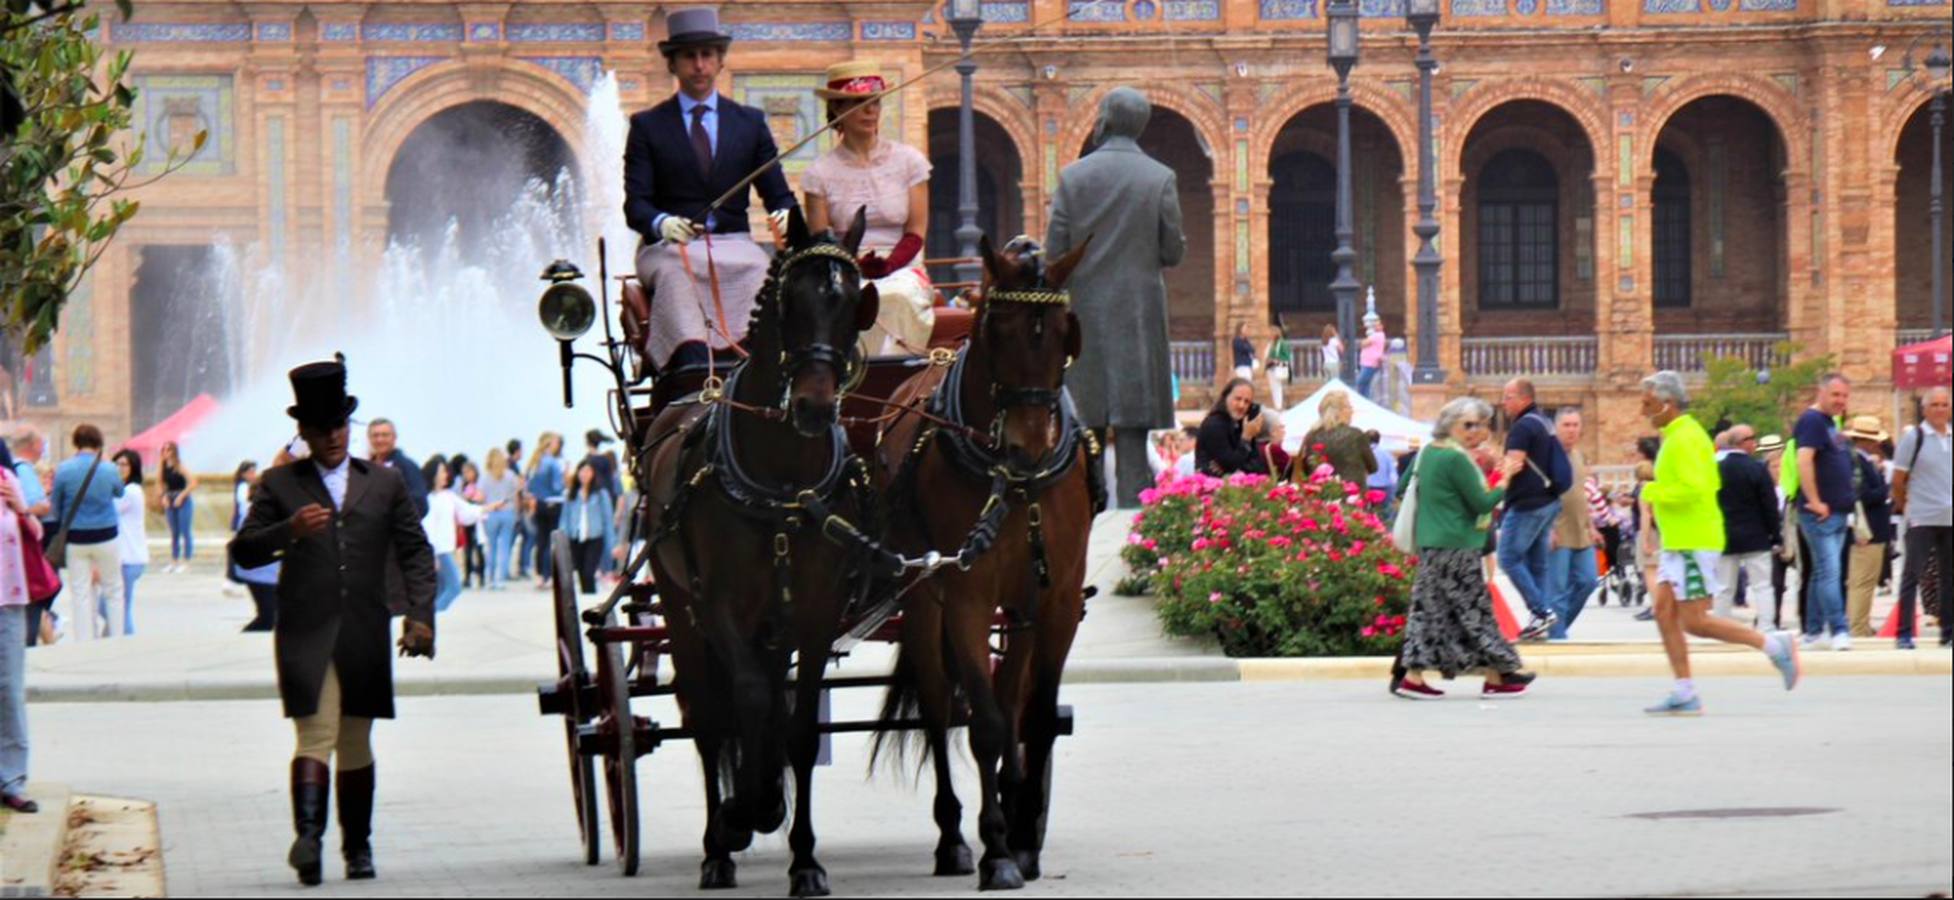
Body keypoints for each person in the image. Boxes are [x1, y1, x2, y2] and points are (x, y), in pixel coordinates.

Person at [229, 358, 437, 886]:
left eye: (340, 426)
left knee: (355, 740)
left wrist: (419, 615)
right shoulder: (279, 484)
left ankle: (358, 847)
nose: (333, 437)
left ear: (351, 425)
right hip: (306, 629)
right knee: (315, 732)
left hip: (365, 628)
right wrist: (288, 529)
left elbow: (415, 551)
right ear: (303, 432)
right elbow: (244, 552)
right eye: (321, 430)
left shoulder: (385, 483)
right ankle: (308, 838)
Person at [625, 6, 798, 372]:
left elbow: (778, 194)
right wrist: (662, 223)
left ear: (720, 61)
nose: (699, 65)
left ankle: (759, 371)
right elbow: (635, 205)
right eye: (689, 56)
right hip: (671, 250)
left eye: (707, 55)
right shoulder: (647, 126)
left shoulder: (750, 123)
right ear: (672, 64)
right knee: (675, 278)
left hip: (736, 247)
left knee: (760, 272)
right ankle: (687, 371)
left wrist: (785, 215)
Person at [1046, 85, 1186, 509]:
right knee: (1132, 438)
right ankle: (1128, 539)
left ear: (1104, 119)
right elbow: (1172, 252)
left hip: (1083, 322)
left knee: (1081, 434)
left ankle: (1079, 522)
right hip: (1138, 320)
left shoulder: (1073, 176)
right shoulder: (1160, 177)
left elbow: (1055, 254)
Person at [1637, 371, 1801, 716]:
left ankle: (1774, 645)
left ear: (1667, 404)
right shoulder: (1677, 435)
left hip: (1693, 541)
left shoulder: (1687, 437)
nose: (1642, 410)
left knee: (1695, 621)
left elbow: (1697, 488)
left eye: (1648, 403)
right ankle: (1685, 690)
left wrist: (1650, 489)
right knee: (1664, 613)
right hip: (1680, 541)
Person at [1391, 397, 1535, 699]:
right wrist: (1506, 477)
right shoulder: (1456, 458)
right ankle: (1498, 673)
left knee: (1431, 611)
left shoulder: (1429, 452)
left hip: (1432, 542)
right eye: (1468, 424)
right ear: (1450, 424)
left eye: (1480, 425)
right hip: (1456, 544)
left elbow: (1407, 488)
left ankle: (1416, 677)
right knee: (1474, 611)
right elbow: (1483, 502)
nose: (1475, 431)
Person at [801, 59, 935, 357]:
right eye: (859, 102)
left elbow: (916, 232)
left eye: (875, 102)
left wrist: (888, 265)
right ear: (837, 108)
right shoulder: (818, 174)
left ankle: (893, 380)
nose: (870, 110)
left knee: (896, 297)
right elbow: (820, 242)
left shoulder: (910, 162)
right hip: (843, 271)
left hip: (903, 268)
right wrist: (855, 266)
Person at [1497, 378, 1571, 640]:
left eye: (1507, 397)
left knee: (1508, 558)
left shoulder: (1522, 427)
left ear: (1523, 398)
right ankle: (1539, 622)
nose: (1503, 403)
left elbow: (1514, 464)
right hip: (1549, 500)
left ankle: (1540, 611)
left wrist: (1498, 479)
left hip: (1527, 502)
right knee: (1537, 564)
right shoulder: (1543, 422)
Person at [1793, 373, 1855, 650]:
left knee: (1821, 573)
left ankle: (1814, 631)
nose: (1840, 401)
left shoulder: (1830, 422)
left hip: (1837, 510)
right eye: (1835, 395)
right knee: (1831, 572)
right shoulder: (1812, 421)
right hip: (1821, 512)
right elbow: (1804, 461)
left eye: (1844, 396)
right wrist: (1815, 500)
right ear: (1821, 392)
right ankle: (1838, 629)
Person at [51, 424, 125, 641]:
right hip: (107, 534)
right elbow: (120, 492)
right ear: (98, 442)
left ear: (76, 442)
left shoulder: (64, 469)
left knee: (80, 591)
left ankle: (84, 640)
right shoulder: (109, 469)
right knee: (113, 588)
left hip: (76, 537)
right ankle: (117, 637)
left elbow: (56, 506)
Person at [1892, 386, 1952, 649]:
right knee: (1912, 575)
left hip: (1949, 518)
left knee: (1949, 577)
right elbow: (1898, 479)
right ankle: (1904, 632)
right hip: (1922, 518)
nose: (1940, 409)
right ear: (1924, 409)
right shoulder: (1913, 438)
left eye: (1944, 404)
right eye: (1934, 405)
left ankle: (1948, 631)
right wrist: (1906, 506)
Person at [0, 456, 40, 813]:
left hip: (9, 600)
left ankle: (12, 779)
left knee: (9, 689)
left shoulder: (7, 478)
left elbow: (36, 535)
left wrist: (21, 508)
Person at [1712, 425, 1781, 627]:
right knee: (1762, 586)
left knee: (1724, 586)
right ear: (1743, 443)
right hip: (1756, 535)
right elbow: (1769, 504)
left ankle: (1720, 626)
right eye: (1752, 439)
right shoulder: (1757, 469)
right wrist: (1775, 534)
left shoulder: (1716, 469)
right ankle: (1766, 625)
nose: (1755, 443)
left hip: (1724, 535)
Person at [1543, 409, 1600, 641]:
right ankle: (1557, 636)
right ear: (1557, 428)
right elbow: (1541, 496)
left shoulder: (1578, 455)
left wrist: (1592, 526)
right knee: (1556, 591)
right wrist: (1548, 528)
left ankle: (1557, 625)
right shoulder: (1547, 456)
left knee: (1588, 581)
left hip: (1581, 530)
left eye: (1576, 425)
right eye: (1566, 425)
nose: (1572, 430)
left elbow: (1581, 494)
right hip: (1558, 532)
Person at [1840, 416, 1893, 639]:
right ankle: (1857, 626)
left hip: (1872, 528)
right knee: (1862, 581)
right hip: (1868, 529)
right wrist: (1885, 490)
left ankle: (1860, 623)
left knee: (1866, 581)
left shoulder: (1859, 459)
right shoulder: (1856, 462)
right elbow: (1862, 494)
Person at [420, 456, 485, 615]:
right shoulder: (429, 499)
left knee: (441, 588)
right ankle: (429, 616)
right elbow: (428, 528)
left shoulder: (447, 495)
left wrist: (489, 508)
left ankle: (428, 617)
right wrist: (432, 554)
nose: (446, 475)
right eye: (442, 471)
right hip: (438, 551)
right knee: (454, 586)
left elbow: (467, 512)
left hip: (446, 548)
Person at [8, 427, 54, 646]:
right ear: (32, 445)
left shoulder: (12, 470)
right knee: (34, 598)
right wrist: (35, 509)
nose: (43, 448)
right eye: (41, 443)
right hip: (24, 547)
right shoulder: (24, 470)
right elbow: (38, 507)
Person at [232, 461, 279, 632]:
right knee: (268, 616)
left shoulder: (253, 510)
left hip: (259, 571)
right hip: (262, 571)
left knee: (268, 614)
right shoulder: (259, 512)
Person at [1296, 390, 1375, 490]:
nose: (1352, 411)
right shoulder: (1355, 435)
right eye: (1349, 407)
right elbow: (1373, 467)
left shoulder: (1311, 436)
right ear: (1340, 411)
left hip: (1321, 497)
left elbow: (1306, 470)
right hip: (1353, 497)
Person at [1195, 378, 1273, 478]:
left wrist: (1235, 467)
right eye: (1238, 399)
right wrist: (1245, 439)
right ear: (1226, 397)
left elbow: (1257, 467)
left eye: (1247, 402)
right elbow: (1230, 463)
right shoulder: (1214, 424)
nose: (1241, 405)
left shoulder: (1244, 425)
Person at [561, 461, 617, 596]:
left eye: (588, 471)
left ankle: (591, 596)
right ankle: (587, 596)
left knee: (588, 571)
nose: (584, 474)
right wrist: (562, 540)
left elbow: (607, 520)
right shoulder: (570, 494)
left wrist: (612, 544)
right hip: (576, 537)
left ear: (593, 474)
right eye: (582, 471)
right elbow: (565, 518)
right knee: (580, 571)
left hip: (595, 537)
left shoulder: (601, 494)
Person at [110, 450, 148, 636]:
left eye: (124, 464)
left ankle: (128, 642)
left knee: (117, 608)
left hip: (129, 558)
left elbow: (110, 508)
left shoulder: (130, 491)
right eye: (116, 463)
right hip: (126, 557)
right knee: (118, 607)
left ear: (133, 468)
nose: (119, 468)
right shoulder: (126, 490)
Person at [525, 431, 567, 587]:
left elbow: (529, 486)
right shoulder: (553, 463)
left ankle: (540, 574)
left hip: (539, 504)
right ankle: (548, 574)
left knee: (540, 541)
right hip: (553, 504)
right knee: (551, 541)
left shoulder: (535, 462)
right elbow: (557, 487)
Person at [479, 447, 523, 591]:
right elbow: (516, 496)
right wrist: (517, 513)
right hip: (507, 512)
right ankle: (500, 580)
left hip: (491, 513)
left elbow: (481, 497)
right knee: (504, 547)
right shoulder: (510, 475)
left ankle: (489, 578)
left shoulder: (485, 477)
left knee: (491, 547)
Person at [156, 441, 198, 573]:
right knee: (174, 533)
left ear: (174, 452)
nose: (165, 453)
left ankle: (187, 562)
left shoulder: (179, 466)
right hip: (170, 499)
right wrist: (163, 497)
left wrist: (181, 496)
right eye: (164, 450)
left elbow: (193, 482)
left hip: (183, 500)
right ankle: (174, 561)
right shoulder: (162, 467)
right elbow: (159, 484)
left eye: (168, 450)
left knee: (185, 531)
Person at [506, 439, 534, 582]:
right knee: (525, 536)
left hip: (516, 509)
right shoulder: (512, 467)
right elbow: (516, 489)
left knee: (522, 537)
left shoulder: (512, 466)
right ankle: (522, 566)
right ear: (517, 451)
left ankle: (521, 566)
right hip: (516, 509)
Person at [1356, 313, 1386, 402]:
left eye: (1378, 325)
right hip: (1368, 363)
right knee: (1366, 384)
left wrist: (1364, 342)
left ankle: (1363, 400)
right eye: (1375, 325)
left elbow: (1363, 343)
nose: (1376, 327)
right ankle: (1365, 400)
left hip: (1370, 363)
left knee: (1360, 382)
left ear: (1382, 326)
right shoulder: (1378, 335)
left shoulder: (1377, 335)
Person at [1365, 430, 1399, 510]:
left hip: (1367, 487)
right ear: (1379, 440)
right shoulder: (1386, 453)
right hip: (1384, 488)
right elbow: (1393, 476)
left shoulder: (1363, 453)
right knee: (1384, 512)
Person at [1264, 324, 1293, 411]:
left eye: (1270, 332)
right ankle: (1277, 406)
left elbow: (1287, 357)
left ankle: (1279, 406)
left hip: (1278, 367)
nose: (1268, 334)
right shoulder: (1270, 343)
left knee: (1279, 387)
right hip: (1270, 368)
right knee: (1274, 387)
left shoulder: (1281, 343)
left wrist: (1276, 360)